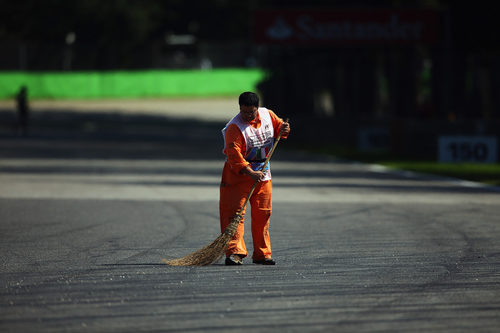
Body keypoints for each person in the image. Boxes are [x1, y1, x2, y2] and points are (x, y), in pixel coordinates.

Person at [219, 91, 290, 265]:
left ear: (257, 108)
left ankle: (262, 253)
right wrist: (250, 172)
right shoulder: (234, 128)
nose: (247, 115)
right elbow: (234, 156)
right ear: (239, 109)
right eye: (244, 112)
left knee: (263, 213)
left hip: (263, 173)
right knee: (235, 214)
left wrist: (284, 129)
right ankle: (235, 252)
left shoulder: (267, 115)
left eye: (251, 112)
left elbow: (280, 127)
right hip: (238, 175)